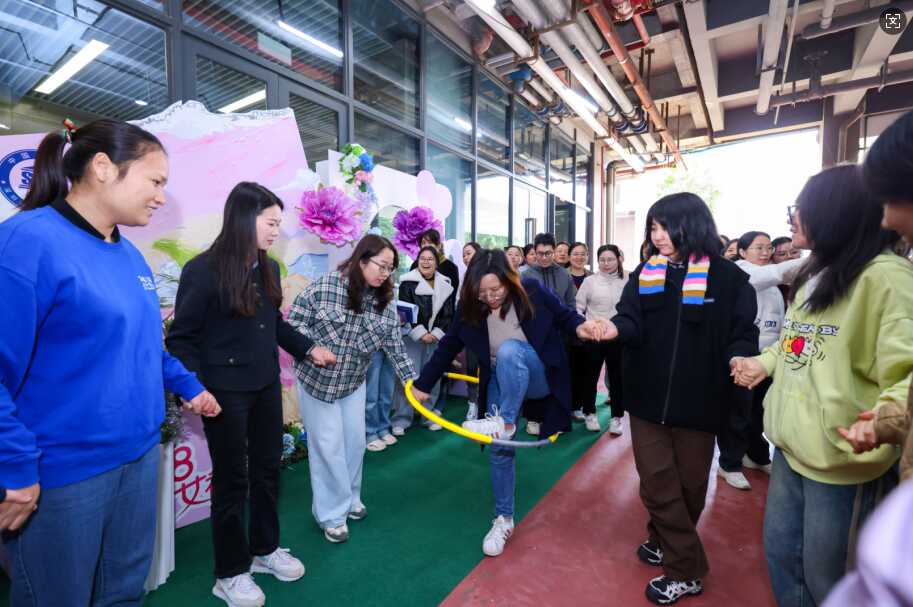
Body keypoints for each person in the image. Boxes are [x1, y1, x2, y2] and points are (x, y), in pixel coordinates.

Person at [0, 119, 221, 606]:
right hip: (63, 473)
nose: (161, 197)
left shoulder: (128, 254)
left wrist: (189, 385)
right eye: (155, 181)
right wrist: (14, 466)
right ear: (103, 167)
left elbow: (143, 346)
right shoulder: (26, 242)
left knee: (124, 593)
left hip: (138, 456)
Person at [732, 164, 913, 607]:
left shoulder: (887, 278)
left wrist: (883, 420)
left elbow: (907, 372)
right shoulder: (817, 272)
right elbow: (796, 343)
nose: (793, 218)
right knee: (783, 560)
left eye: (802, 207)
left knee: (829, 577)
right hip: (792, 448)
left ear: (837, 212)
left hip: (843, 459)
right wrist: (763, 363)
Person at [166, 182, 337, 606]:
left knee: (268, 471)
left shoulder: (268, 267)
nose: (277, 230)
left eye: (279, 223)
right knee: (232, 480)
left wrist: (309, 348)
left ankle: (264, 549)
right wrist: (193, 386)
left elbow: (274, 324)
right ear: (244, 218)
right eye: (271, 222)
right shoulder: (203, 269)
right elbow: (182, 338)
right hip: (223, 392)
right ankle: (229, 572)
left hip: (264, 385)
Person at [603, 193, 759, 605]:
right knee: (657, 483)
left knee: (690, 486)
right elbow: (630, 319)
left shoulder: (728, 279)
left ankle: (662, 538)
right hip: (646, 397)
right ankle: (686, 569)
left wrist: (740, 357)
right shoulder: (645, 273)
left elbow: (743, 333)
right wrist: (613, 329)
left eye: (665, 227)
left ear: (693, 225)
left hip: (702, 400)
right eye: (653, 228)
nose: (657, 237)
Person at [410, 249, 609, 557]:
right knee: (500, 449)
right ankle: (503, 518)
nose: (490, 297)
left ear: (510, 280)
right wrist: (423, 384)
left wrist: (581, 327)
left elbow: (564, 315)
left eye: (496, 290)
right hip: (501, 381)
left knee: (509, 350)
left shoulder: (532, 291)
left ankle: (504, 422)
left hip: (537, 374)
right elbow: (448, 345)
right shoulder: (469, 307)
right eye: (483, 292)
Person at [287, 235, 417, 544]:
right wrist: (311, 349)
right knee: (328, 448)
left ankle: (350, 498)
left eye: (391, 268)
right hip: (317, 383)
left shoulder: (385, 304)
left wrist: (413, 383)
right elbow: (293, 322)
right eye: (381, 265)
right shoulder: (326, 286)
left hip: (353, 383)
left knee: (355, 443)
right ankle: (331, 515)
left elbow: (395, 347)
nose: (385, 273)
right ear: (362, 260)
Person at [840, 110, 913, 482]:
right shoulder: (818, 276)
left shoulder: (888, 275)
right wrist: (889, 418)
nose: (886, 219)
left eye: (890, 200)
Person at [716, 231, 805, 491]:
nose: (766, 253)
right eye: (759, 248)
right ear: (743, 252)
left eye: (768, 248)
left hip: (770, 359)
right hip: (745, 357)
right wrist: (824, 256)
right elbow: (776, 273)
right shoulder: (743, 272)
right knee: (738, 414)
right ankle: (729, 464)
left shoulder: (773, 286)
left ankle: (757, 456)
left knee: (759, 411)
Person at [390, 245, 456, 435]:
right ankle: (402, 419)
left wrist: (436, 333)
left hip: (436, 337)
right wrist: (420, 333)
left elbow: (448, 313)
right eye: (422, 258)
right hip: (412, 338)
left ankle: (428, 415)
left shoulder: (446, 283)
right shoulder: (407, 282)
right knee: (408, 378)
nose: (426, 262)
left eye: (430, 259)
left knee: (433, 376)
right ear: (417, 261)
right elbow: (405, 311)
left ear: (436, 263)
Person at [521, 233, 577, 435]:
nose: (544, 257)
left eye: (548, 253)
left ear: (554, 252)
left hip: (560, 334)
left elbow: (571, 304)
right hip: (534, 336)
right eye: (540, 253)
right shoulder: (525, 276)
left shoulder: (564, 275)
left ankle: (556, 420)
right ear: (533, 253)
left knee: (558, 378)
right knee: (536, 375)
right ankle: (533, 418)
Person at [576, 244, 628, 434]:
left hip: (618, 336)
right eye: (602, 260)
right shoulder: (590, 281)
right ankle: (589, 412)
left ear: (619, 259)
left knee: (617, 378)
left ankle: (617, 418)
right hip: (594, 337)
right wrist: (587, 326)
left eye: (610, 259)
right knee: (590, 376)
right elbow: (578, 308)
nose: (606, 263)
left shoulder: (628, 280)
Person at [566, 242, 594, 427]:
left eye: (583, 254)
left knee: (584, 370)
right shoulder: (562, 275)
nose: (579, 257)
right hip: (567, 330)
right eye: (575, 254)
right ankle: (566, 405)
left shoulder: (593, 277)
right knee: (568, 369)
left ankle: (578, 406)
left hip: (589, 330)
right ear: (569, 256)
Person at [461, 241, 482, 420]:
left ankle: (487, 404)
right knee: (471, 367)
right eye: (464, 255)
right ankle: (472, 403)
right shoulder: (464, 277)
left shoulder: (489, 274)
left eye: (469, 253)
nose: (466, 257)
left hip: (490, 330)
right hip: (471, 328)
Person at [410, 228, 459, 293]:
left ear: (439, 246)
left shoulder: (451, 267)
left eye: (430, 242)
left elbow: (452, 294)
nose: (426, 246)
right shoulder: (415, 265)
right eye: (423, 243)